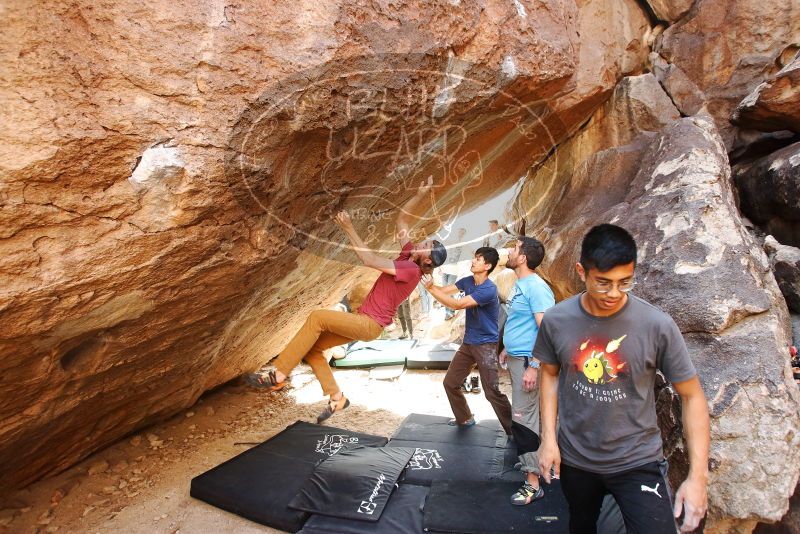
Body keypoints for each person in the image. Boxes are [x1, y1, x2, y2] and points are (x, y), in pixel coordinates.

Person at [535, 224, 710, 533]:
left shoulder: (657, 325)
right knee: (581, 524)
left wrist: (698, 478)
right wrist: (548, 439)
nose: (614, 293)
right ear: (581, 271)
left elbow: (692, 395)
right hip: (576, 460)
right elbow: (549, 375)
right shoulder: (557, 320)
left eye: (624, 282)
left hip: (637, 461)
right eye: (603, 283)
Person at [245, 180, 447, 423]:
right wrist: (420, 194)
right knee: (314, 349)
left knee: (317, 317)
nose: (421, 243)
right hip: (364, 322)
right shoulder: (408, 256)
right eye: (424, 242)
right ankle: (337, 397)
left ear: (427, 262)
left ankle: (278, 373)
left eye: (425, 246)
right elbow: (402, 221)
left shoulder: (411, 270)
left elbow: (369, 260)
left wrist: (349, 228)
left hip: (369, 324)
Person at [422, 247, 512, 433]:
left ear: (487, 266)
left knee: (491, 392)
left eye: (478, 259)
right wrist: (428, 282)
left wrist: (431, 289)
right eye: (474, 256)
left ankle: (513, 431)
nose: (473, 260)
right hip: (469, 343)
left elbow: (456, 304)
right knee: (450, 383)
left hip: (486, 345)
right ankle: (465, 418)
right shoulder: (468, 281)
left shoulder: (488, 289)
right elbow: (444, 291)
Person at [499, 236, 555, 506]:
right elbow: (520, 323)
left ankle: (533, 484)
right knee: (530, 418)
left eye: (514, 248)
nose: (509, 251)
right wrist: (505, 348)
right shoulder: (519, 285)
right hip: (517, 358)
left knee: (523, 421)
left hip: (527, 364)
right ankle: (542, 467)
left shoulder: (536, 287)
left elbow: (547, 330)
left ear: (522, 258)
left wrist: (533, 365)